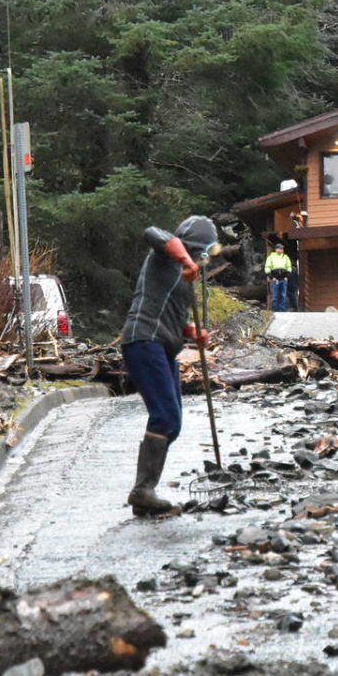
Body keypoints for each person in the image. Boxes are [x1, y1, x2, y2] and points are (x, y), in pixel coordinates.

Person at [119, 214, 218, 517]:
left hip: (162, 346)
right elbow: (153, 231)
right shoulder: (163, 255)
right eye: (203, 253)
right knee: (164, 416)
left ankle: (144, 492)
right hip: (143, 340)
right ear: (194, 247)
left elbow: (174, 316)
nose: (204, 261)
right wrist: (185, 259)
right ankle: (142, 491)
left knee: (172, 422)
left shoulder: (183, 277)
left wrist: (192, 332)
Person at [263, 242, 294, 312]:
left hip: (283, 279)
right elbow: (267, 268)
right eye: (279, 248)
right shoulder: (271, 257)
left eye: (282, 249)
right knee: (274, 296)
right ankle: (275, 311)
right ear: (276, 249)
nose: (280, 250)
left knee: (283, 295)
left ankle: (282, 310)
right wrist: (271, 277)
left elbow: (289, 267)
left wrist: (287, 276)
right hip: (275, 279)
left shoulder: (286, 257)